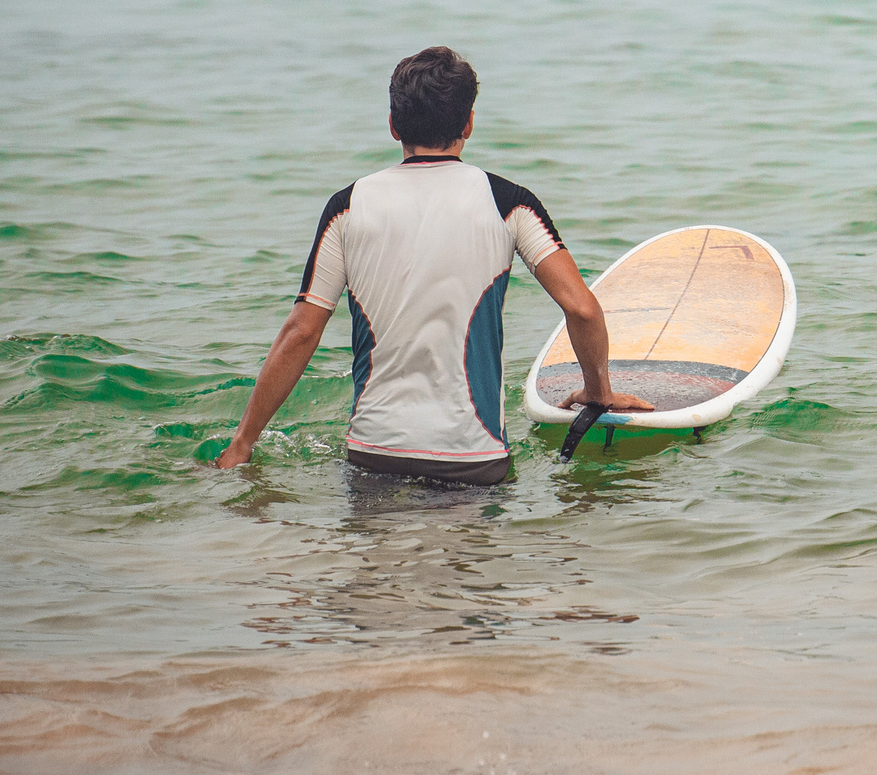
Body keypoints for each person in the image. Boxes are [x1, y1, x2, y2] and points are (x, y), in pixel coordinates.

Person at [214, 47, 650, 483]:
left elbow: (301, 332)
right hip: (474, 462)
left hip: (373, 455)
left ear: (392, 125)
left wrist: (243, 443)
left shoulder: (346, 207)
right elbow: (583, 309)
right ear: (469, 123)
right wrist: (599, 395)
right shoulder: (508, 203)